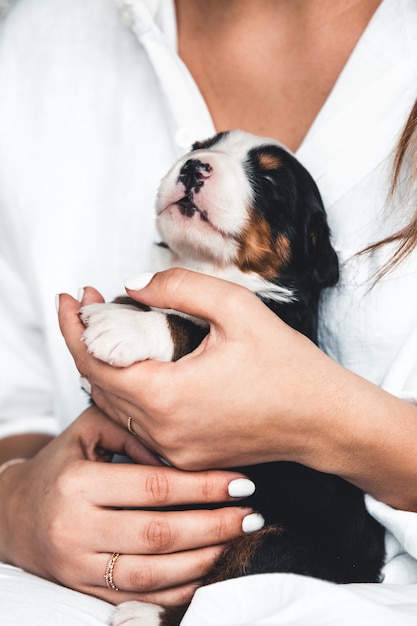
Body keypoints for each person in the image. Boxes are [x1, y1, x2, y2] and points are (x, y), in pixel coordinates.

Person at [1, 0, 417, 624]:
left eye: (267, 182)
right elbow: (16, 396)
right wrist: (11, 500)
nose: (206, 166)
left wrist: (333, 424)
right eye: (204, 151)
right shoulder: (45, 32)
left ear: (305, 249)